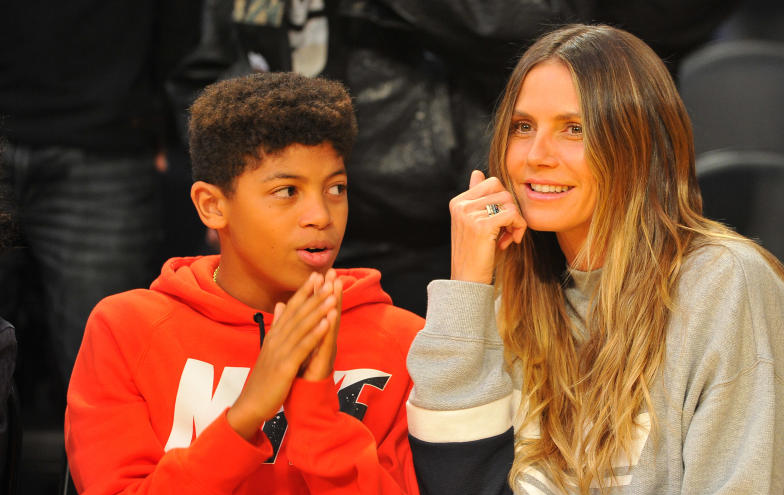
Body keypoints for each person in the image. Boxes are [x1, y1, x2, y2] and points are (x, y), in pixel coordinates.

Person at [406, 24, 784, 495]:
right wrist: (468, 288)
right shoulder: (528, 291)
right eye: (523, 126)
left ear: (637, 144)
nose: (535, 156)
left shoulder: (726, 282)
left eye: (575, 129)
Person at [65, 72, 429, 495]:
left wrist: (313, 406)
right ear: (213, 206)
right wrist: (244, 415)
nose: (321, 215)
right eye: (288, 191)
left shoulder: (399, 339)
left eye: (336, 187)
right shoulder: (128, 326)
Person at [167, 0, 740, 316]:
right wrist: (237, 178)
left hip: (434, 215)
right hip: (294, 212)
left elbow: (548, 30)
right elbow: (215, 55)